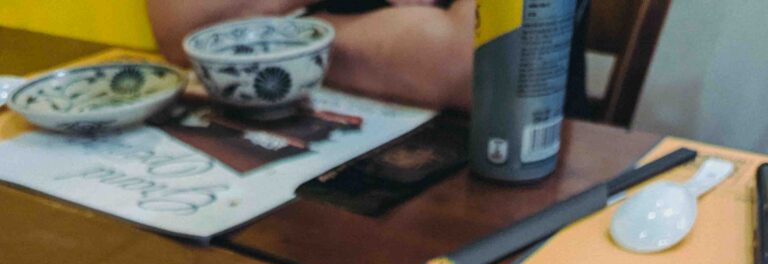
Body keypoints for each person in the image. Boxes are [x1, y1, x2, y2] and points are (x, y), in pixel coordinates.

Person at [147, 0, 588, 114]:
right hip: (293, 179)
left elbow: (475, 65)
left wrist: (300, 31)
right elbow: (181, 28)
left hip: (496, 182)